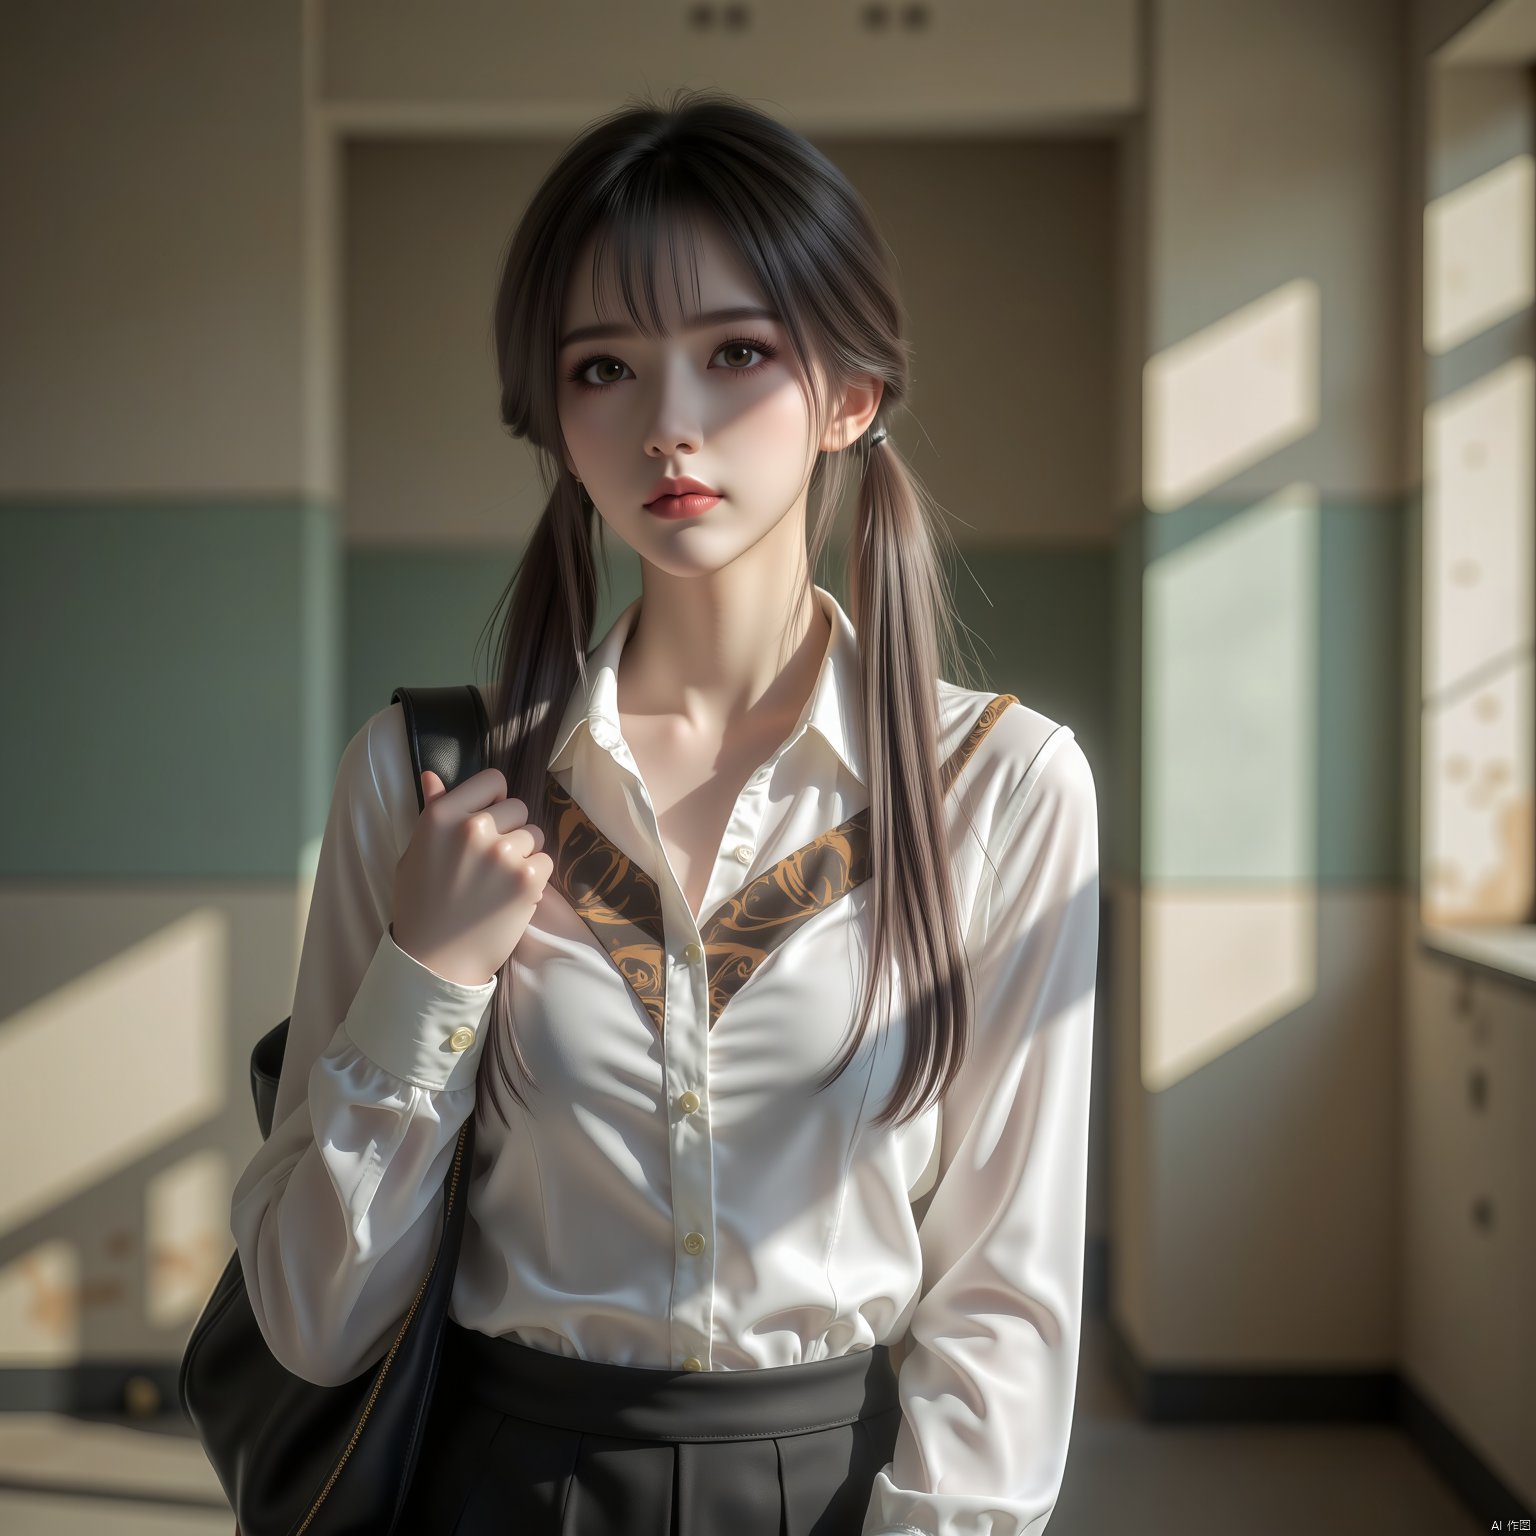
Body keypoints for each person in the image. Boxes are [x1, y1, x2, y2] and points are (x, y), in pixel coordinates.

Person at [230, 86, 1100, 1536]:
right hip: (502, 1492)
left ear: (849, 395)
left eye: (738, 353)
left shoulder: (1001, 792)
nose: (669, 425)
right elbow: (314, 1324)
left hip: (837, 1495)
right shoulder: (425, 778)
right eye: (605, 368)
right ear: (554, 412)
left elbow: (1004, 1300)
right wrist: (426, 978)